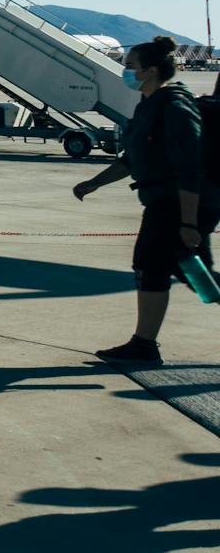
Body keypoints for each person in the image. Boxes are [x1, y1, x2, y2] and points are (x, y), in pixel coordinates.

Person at [72, 36, 220, 364]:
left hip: (181, 201)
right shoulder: (148, 105)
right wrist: (93, 183)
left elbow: (190, 167)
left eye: (130, 67)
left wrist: (189, 222)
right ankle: (144, 344)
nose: (125, 71)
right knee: (189, 275)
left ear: (149, 72)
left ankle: (144, 345)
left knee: (154, 266)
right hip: (165, 200)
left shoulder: (176, 108)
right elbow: (132, 159)